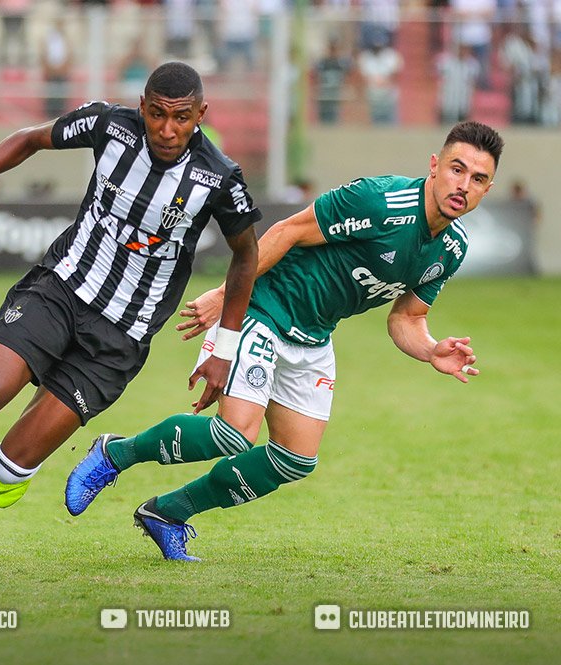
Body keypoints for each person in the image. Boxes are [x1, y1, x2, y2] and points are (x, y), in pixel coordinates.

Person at [0, 61, 261, 583]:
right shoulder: (110, 126)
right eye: (156, 114)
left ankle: (37, 451)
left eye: (180, 118)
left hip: (120, 336)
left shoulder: (219, 177)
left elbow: (247, 256)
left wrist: (225, 347)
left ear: (201, 114)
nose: (167, 130)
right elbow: (29, 138)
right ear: (142, 108)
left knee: (9, 464)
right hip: (59, 289)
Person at [65, 121, 503, 561]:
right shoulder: (381, 200)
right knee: (234, 435)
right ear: (434, 166)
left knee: (295, 459)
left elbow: (407, 316)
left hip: (313, 337)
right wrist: (224, 296)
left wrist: (430, 350)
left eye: (478, 179)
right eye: (456, 169)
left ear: (488, 188)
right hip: (264, 308)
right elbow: (288, 231)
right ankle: (115, 453)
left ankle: (169, 513)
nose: (463, 185)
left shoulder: (452, 247)